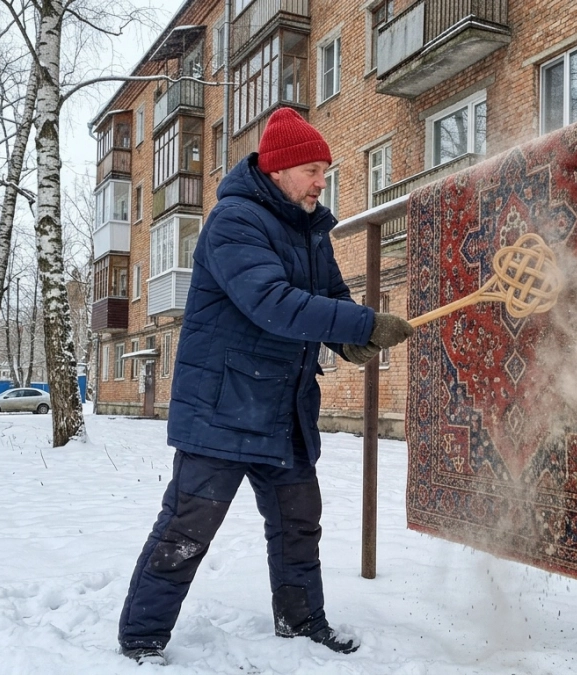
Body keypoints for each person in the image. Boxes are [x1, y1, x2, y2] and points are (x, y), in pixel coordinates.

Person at [117, 107, 414, 666]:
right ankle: (141, 637)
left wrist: (356, 336)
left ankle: (302, 622)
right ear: (278, 169)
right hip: (222, 408)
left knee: (300, 525)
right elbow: (270, 303)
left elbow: (332, 297)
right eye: (312, 169)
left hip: (284, 409)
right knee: (188, 527)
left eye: (325, 169)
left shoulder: (312, 230)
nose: (321, 181)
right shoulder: (235, 220)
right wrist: (359, 324)